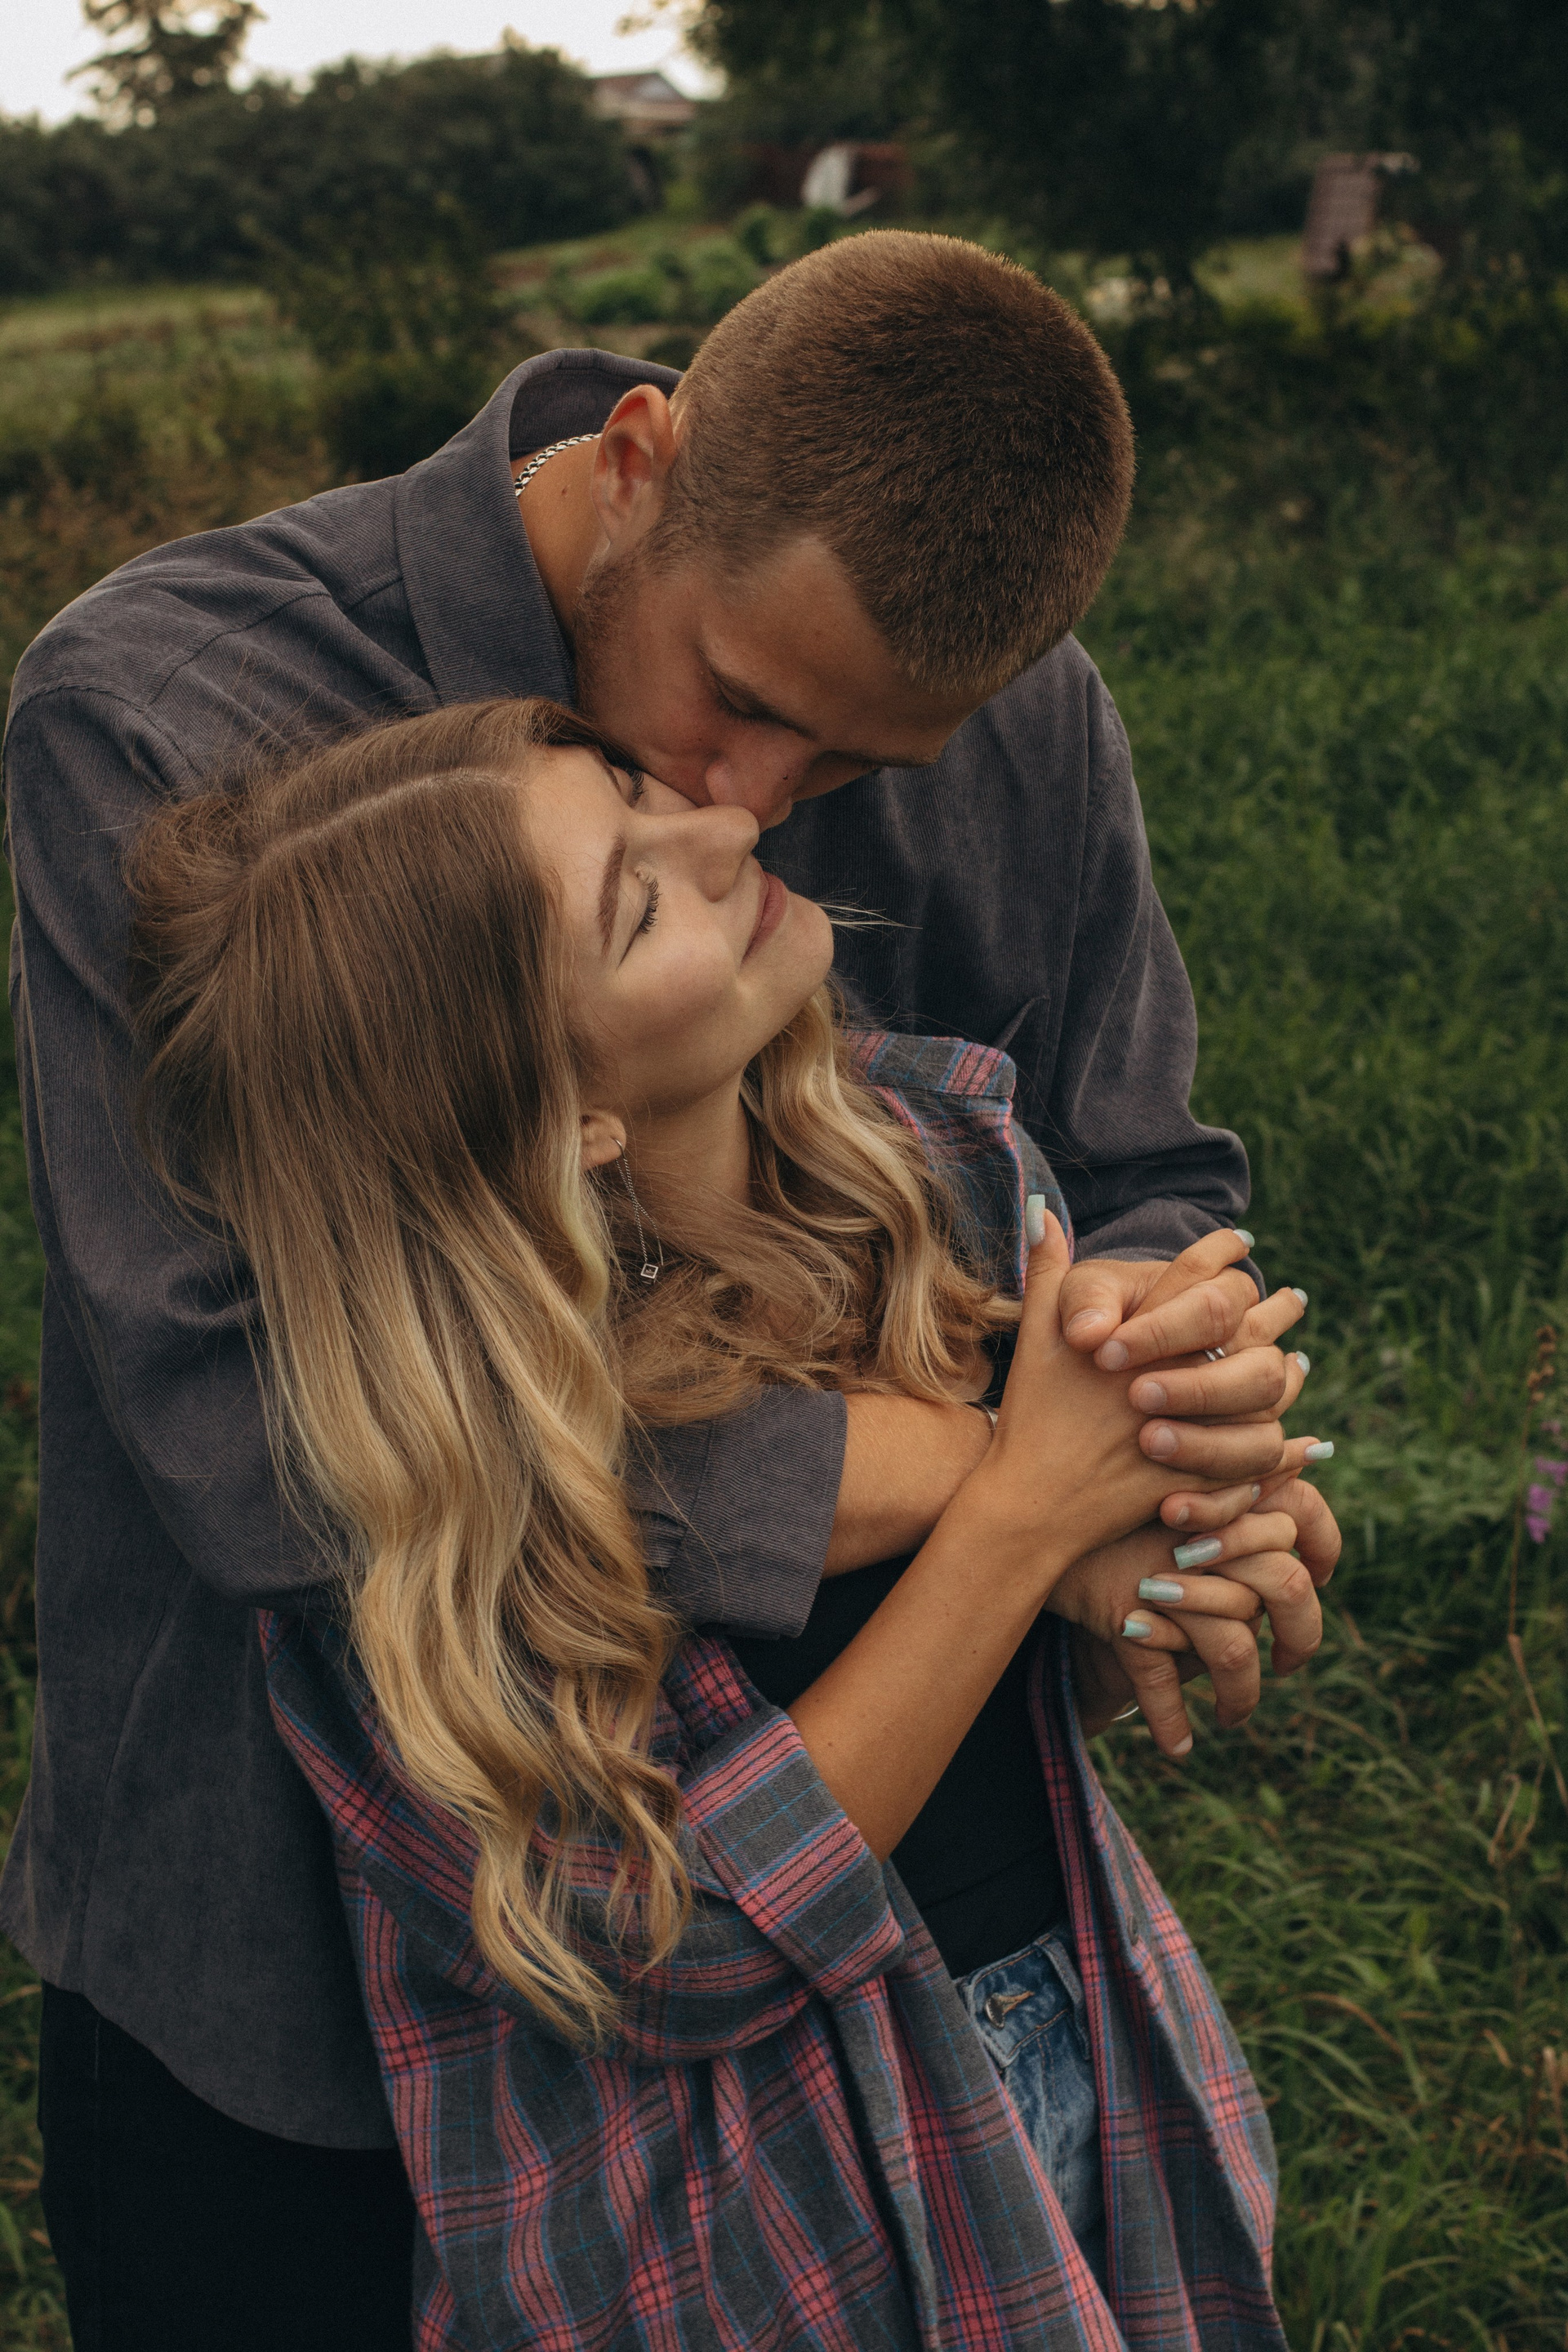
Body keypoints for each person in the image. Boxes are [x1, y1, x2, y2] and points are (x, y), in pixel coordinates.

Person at [1, 229, 1339, 2344]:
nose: (753, 817)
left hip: (933, 2000)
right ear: (637, 463)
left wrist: (1178, 1462)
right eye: (737, 710)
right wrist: (1004, 1482)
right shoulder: (163, 705)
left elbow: (1133, 1178)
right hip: (296, 2014)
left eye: (860, 774)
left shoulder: (1002, 714)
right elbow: (260, 1441)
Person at [127, 695, 1325, 2347]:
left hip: (1082, 2045)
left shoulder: (949, 1173)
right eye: (636, 905)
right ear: (565, 1119)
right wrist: (1022, 1521)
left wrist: (1178, 1563)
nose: (727, 828)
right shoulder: (439, 1492)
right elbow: (657, 1945)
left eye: (633, 785)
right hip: (748, 2235)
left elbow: (1033, 1677)